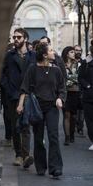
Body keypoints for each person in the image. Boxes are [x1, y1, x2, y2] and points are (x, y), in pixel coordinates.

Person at [17, 42, 66, 178]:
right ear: (44, 55)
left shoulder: (56, 70)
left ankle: (55, 168)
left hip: (52, 107)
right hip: (36, 108)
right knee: (38, 138)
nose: (53, 52)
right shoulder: (33, 69)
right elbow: (24, 88)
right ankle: (40, 166)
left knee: (53, 136)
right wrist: (20, 105)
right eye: (51, 50)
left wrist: (60, 98)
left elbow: (62, 88)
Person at [0, 28, 36, 168]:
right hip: (12, 95)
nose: (15, 39)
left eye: (19, 37)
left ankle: (26, 155)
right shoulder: (9, 56)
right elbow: (1, 74)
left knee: (26, 125)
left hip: (28, 95)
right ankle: (18, 154)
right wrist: (7, 87)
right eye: (14, 37)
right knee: (16, 127)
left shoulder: (33, 56)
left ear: (25, 39)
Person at [61, 46, 80, 145]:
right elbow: (62, 79)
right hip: (65, 92)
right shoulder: (61, 65)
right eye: (72, 52)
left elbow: (78, 78)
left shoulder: (77, 64)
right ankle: (67, 137)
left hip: (75, 92)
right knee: (66, 114)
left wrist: (70, 79)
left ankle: (72, 134)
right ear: (67, 53)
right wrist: (71, 79)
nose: (74, 53)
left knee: (73, 115)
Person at [73, 45, 85, 135]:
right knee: (75, 109)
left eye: (80, 50)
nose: (78, 52)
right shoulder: (70, 62)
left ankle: (80, 126)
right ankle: (75, 124)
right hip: (73, 88)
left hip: (82, 89)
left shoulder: (84, 62)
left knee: (81, 109)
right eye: (76, 50)